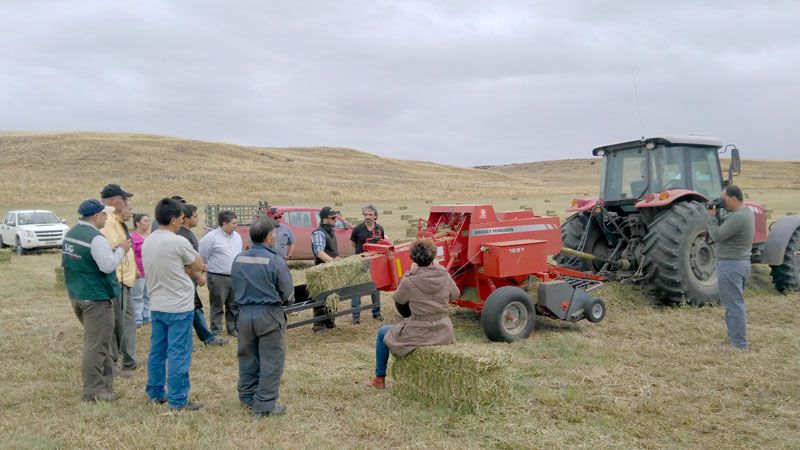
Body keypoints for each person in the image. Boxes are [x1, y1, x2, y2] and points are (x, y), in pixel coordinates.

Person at [366, 238, 459, 389]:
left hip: (419, 331)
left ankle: (379, 379)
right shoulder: (445, 276)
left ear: (413, 259)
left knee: (383, 332)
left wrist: (410, 272)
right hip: (443, 331)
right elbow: (455, 295)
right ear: (434, 257)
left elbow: (399, 299)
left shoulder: (410, 280)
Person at [142, 198, 207, 411]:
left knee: (157, 352)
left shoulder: (148, 240)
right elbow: (198, 263)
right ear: (173, 220)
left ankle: (155, 392)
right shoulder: (178, 241)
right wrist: (192, 268)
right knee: (179, 353)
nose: (182, 221)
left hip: (157, 304)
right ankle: (178, 400)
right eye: (180, 217)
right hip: (179, 306)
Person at [63, 199, 130, 402]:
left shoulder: (71, 234)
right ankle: (93, 390)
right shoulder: (96, 238)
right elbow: (107, 266)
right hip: (96, 298)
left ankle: (106, 383)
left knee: (99, 342)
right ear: (95, 217)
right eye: (104, 215)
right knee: (97, 345)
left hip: (78, 294)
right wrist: (121, 250)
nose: (106, 218)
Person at [232, 217, 295, 417]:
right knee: (271, 360)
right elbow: (288, 294)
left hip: (243, 314)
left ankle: (247, 396)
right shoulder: (275, 260)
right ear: (268, 237)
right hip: (268, 314)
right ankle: (265, 405)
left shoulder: (239, 258)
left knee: (247, 357)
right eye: (274, 234)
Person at [707, 185, 755, 350]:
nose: (723, 203)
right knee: (732, 303)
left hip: (731, 265)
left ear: (734, 199)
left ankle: (739, 344)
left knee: (734, 305)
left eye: (724, 200)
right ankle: (733, 338)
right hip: (740, 263)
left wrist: (712, 217)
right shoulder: (746, 213)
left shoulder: (737, 218)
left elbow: (717, 235)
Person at [100, 183, 138, 373]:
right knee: (117, 325)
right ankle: (114, 365)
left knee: (128, 322)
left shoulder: (116, 220)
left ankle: (129, 360)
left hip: (125, 281)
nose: (128, 203)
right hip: (117, 281)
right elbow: (112, 251)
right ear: (115, 201)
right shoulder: (107, 222)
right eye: (125, 199)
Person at [176, 203, 227, 346]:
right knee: (190, 309)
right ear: (185, 219)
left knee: (195, 307)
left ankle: (206, 337)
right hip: (185, 279)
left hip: (190, 278)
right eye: (195, 216)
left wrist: (200, 266)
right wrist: (197, 275)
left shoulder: (188, 233)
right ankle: (202, 339)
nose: (198, 219)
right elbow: (185, 262)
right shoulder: (182, 236)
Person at [199, 210, 243, 337]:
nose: (236, 225)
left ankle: (232, 328)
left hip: (235, 276)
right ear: (224, 223)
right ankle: (216, 331)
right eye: (234, 223)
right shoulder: (211, 237)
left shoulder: (237, 236)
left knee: (233, 304)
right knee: (217, 305)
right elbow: (202, 255)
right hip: (218, 277)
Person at [349, 204, 385, 324]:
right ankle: (355, 316)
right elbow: (353, 244)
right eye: (365, 215)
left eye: (370, 215)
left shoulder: (380, 229)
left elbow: (382, 244)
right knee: (357, 288)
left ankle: (376, 312)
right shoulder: (357, 229)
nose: (368, 217)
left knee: (375, 287)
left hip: (375, 263)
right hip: (360, 262)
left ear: (375, 216)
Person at [310, 206, 341, 332]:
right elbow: (319, 252)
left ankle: (329, 321)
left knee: (332, 295)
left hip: (331, 269)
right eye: (332, 218)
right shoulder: (319, 232)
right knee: (321, 296)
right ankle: (318, 324)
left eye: (336, 217)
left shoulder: (331, 231)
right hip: (322, 270)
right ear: (324, 219)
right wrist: (333, 261)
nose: (335, 220)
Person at [131, 213, 151, 328]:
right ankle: (137, 318)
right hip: (138, 271)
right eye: (145, 221)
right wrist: (135, 270)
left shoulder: (149, 236)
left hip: (149, 270)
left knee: (148, 294)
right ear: (137, 223)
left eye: (148, 221)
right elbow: (131, 254)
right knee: (137, 295)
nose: (147, 223)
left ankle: (147, 315)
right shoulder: (133, 237)